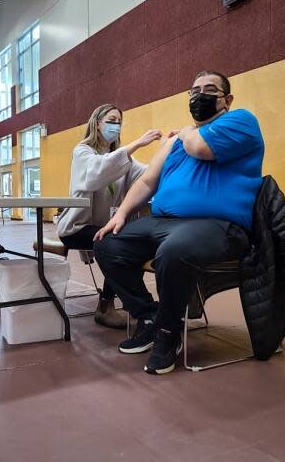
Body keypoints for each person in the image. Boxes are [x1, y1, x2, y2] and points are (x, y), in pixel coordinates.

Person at [93, 71, 263, 373]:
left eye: (210, 90)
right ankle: (149, 316)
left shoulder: (240, 121)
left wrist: (184, 133)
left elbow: (201, 148)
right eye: (194, 91)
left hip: (219, 226)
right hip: (165, 223)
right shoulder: (173, 144)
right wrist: (119, 215)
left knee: (174, 250)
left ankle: (169, 334)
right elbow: (147, 181)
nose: (200, 96)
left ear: (228, 98)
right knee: (107, 244)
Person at [56, 104, 162, 328]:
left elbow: (147, 174)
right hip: (77, 227)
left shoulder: (121, 158)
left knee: (131, 244)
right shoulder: (83, 151)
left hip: (103, 227)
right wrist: (136, 144)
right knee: (119, 245)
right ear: (97, 123)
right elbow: (97, 173)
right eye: (112, 120)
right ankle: (112, 307)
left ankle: (121, 305)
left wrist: (169, 152)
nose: (116, 125)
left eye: (119, 122)